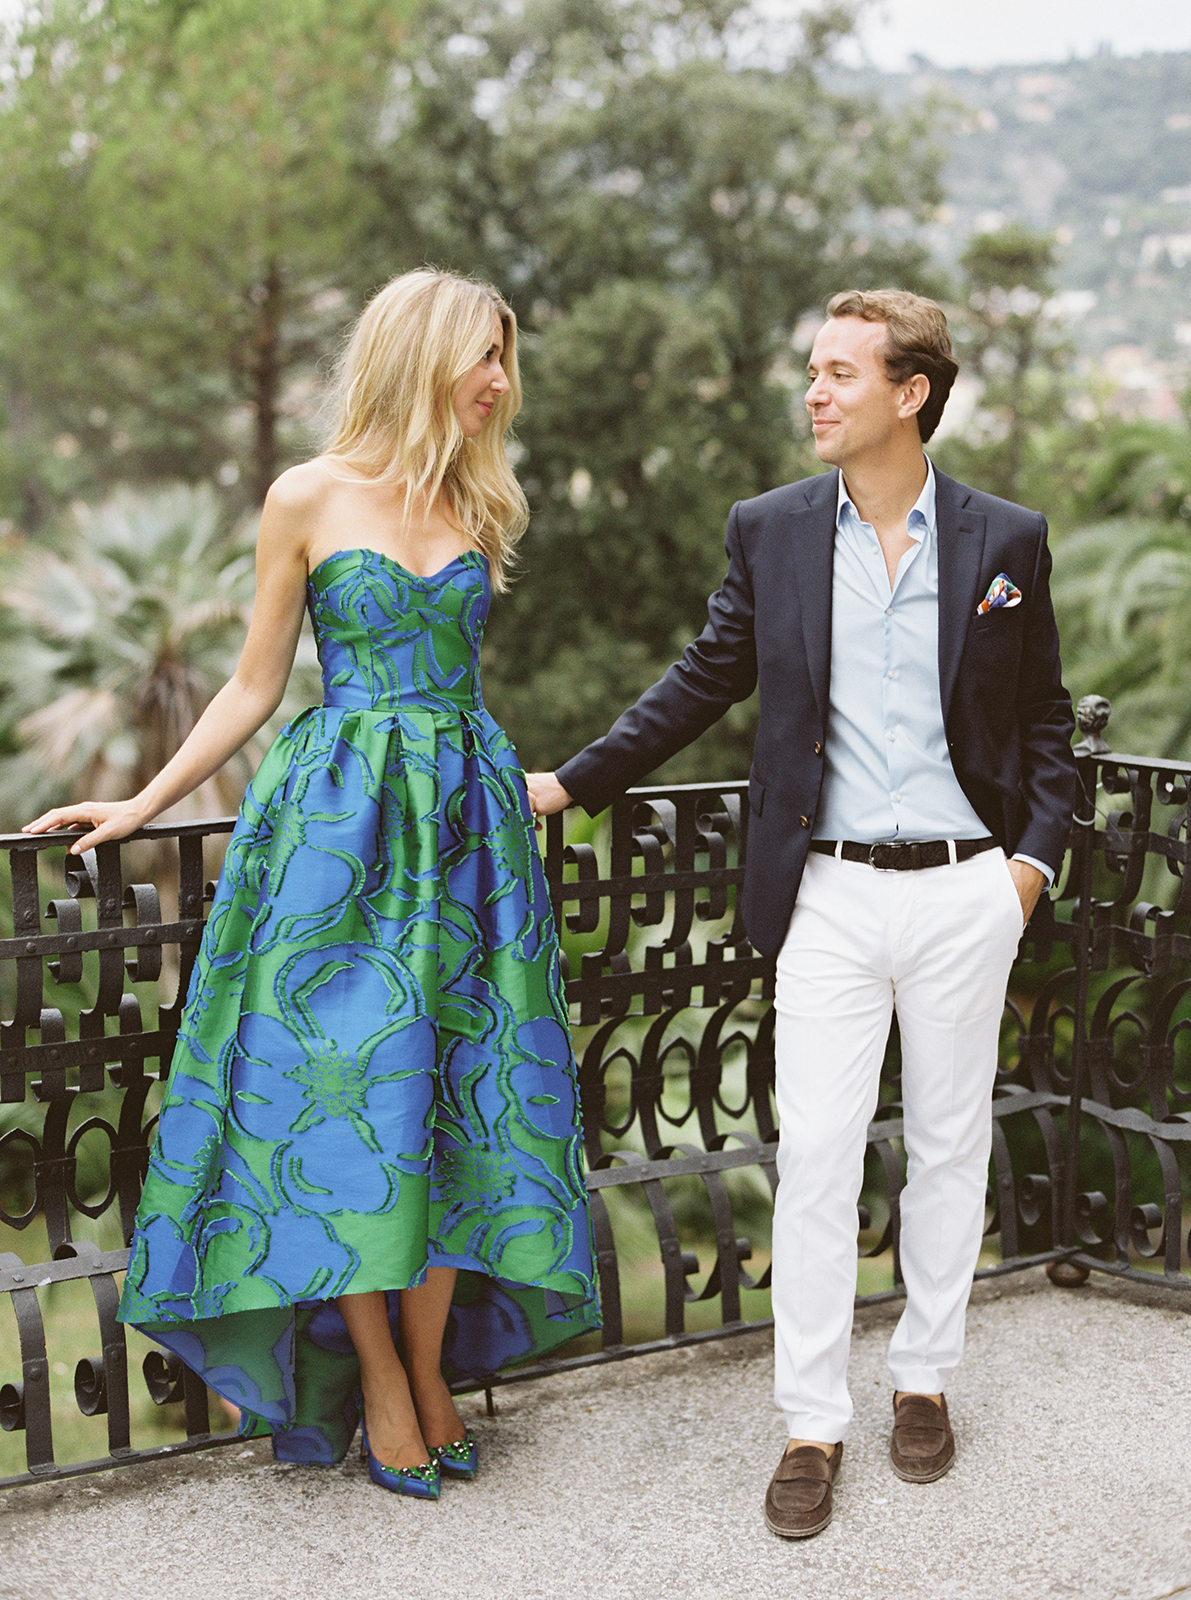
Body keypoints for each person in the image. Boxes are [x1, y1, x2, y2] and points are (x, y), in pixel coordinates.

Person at [25, 268, 599, 1499]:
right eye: (485, 356)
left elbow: (456, 683)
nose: (502, 380)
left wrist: (527, 779)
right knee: (345, 1111)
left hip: (470, 838)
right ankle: (382, 1382)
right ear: (421, 354)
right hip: (337, 837)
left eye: (507, 358)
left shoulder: (478, 498)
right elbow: (252, 684)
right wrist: (137, 807)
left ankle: (434, 1369)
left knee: (459, 1108)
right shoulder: (306, 494)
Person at [527, 289, 1076, 1538]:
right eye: (812, 371)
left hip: (964, 888)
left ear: (909, 392)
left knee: (947, 1143)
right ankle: (811, 1420)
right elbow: (704, 678)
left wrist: (1027, 870)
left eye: (839, 373)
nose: (815, 393)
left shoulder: (1004, 539)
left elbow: (1047, 718)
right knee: (819, 1156)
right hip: (823, 890)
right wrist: (572, 781)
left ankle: (924, 1380)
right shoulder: (770, 531)